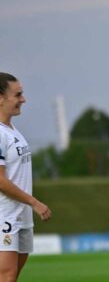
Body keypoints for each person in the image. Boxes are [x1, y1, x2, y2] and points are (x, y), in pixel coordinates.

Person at [0, 72, 51, 282]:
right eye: (18, 94)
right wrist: (34, 202)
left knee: (12, 277)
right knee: (7, 276)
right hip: (5, 215)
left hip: (21, 217)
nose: (23, 99)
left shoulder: (12, 131)